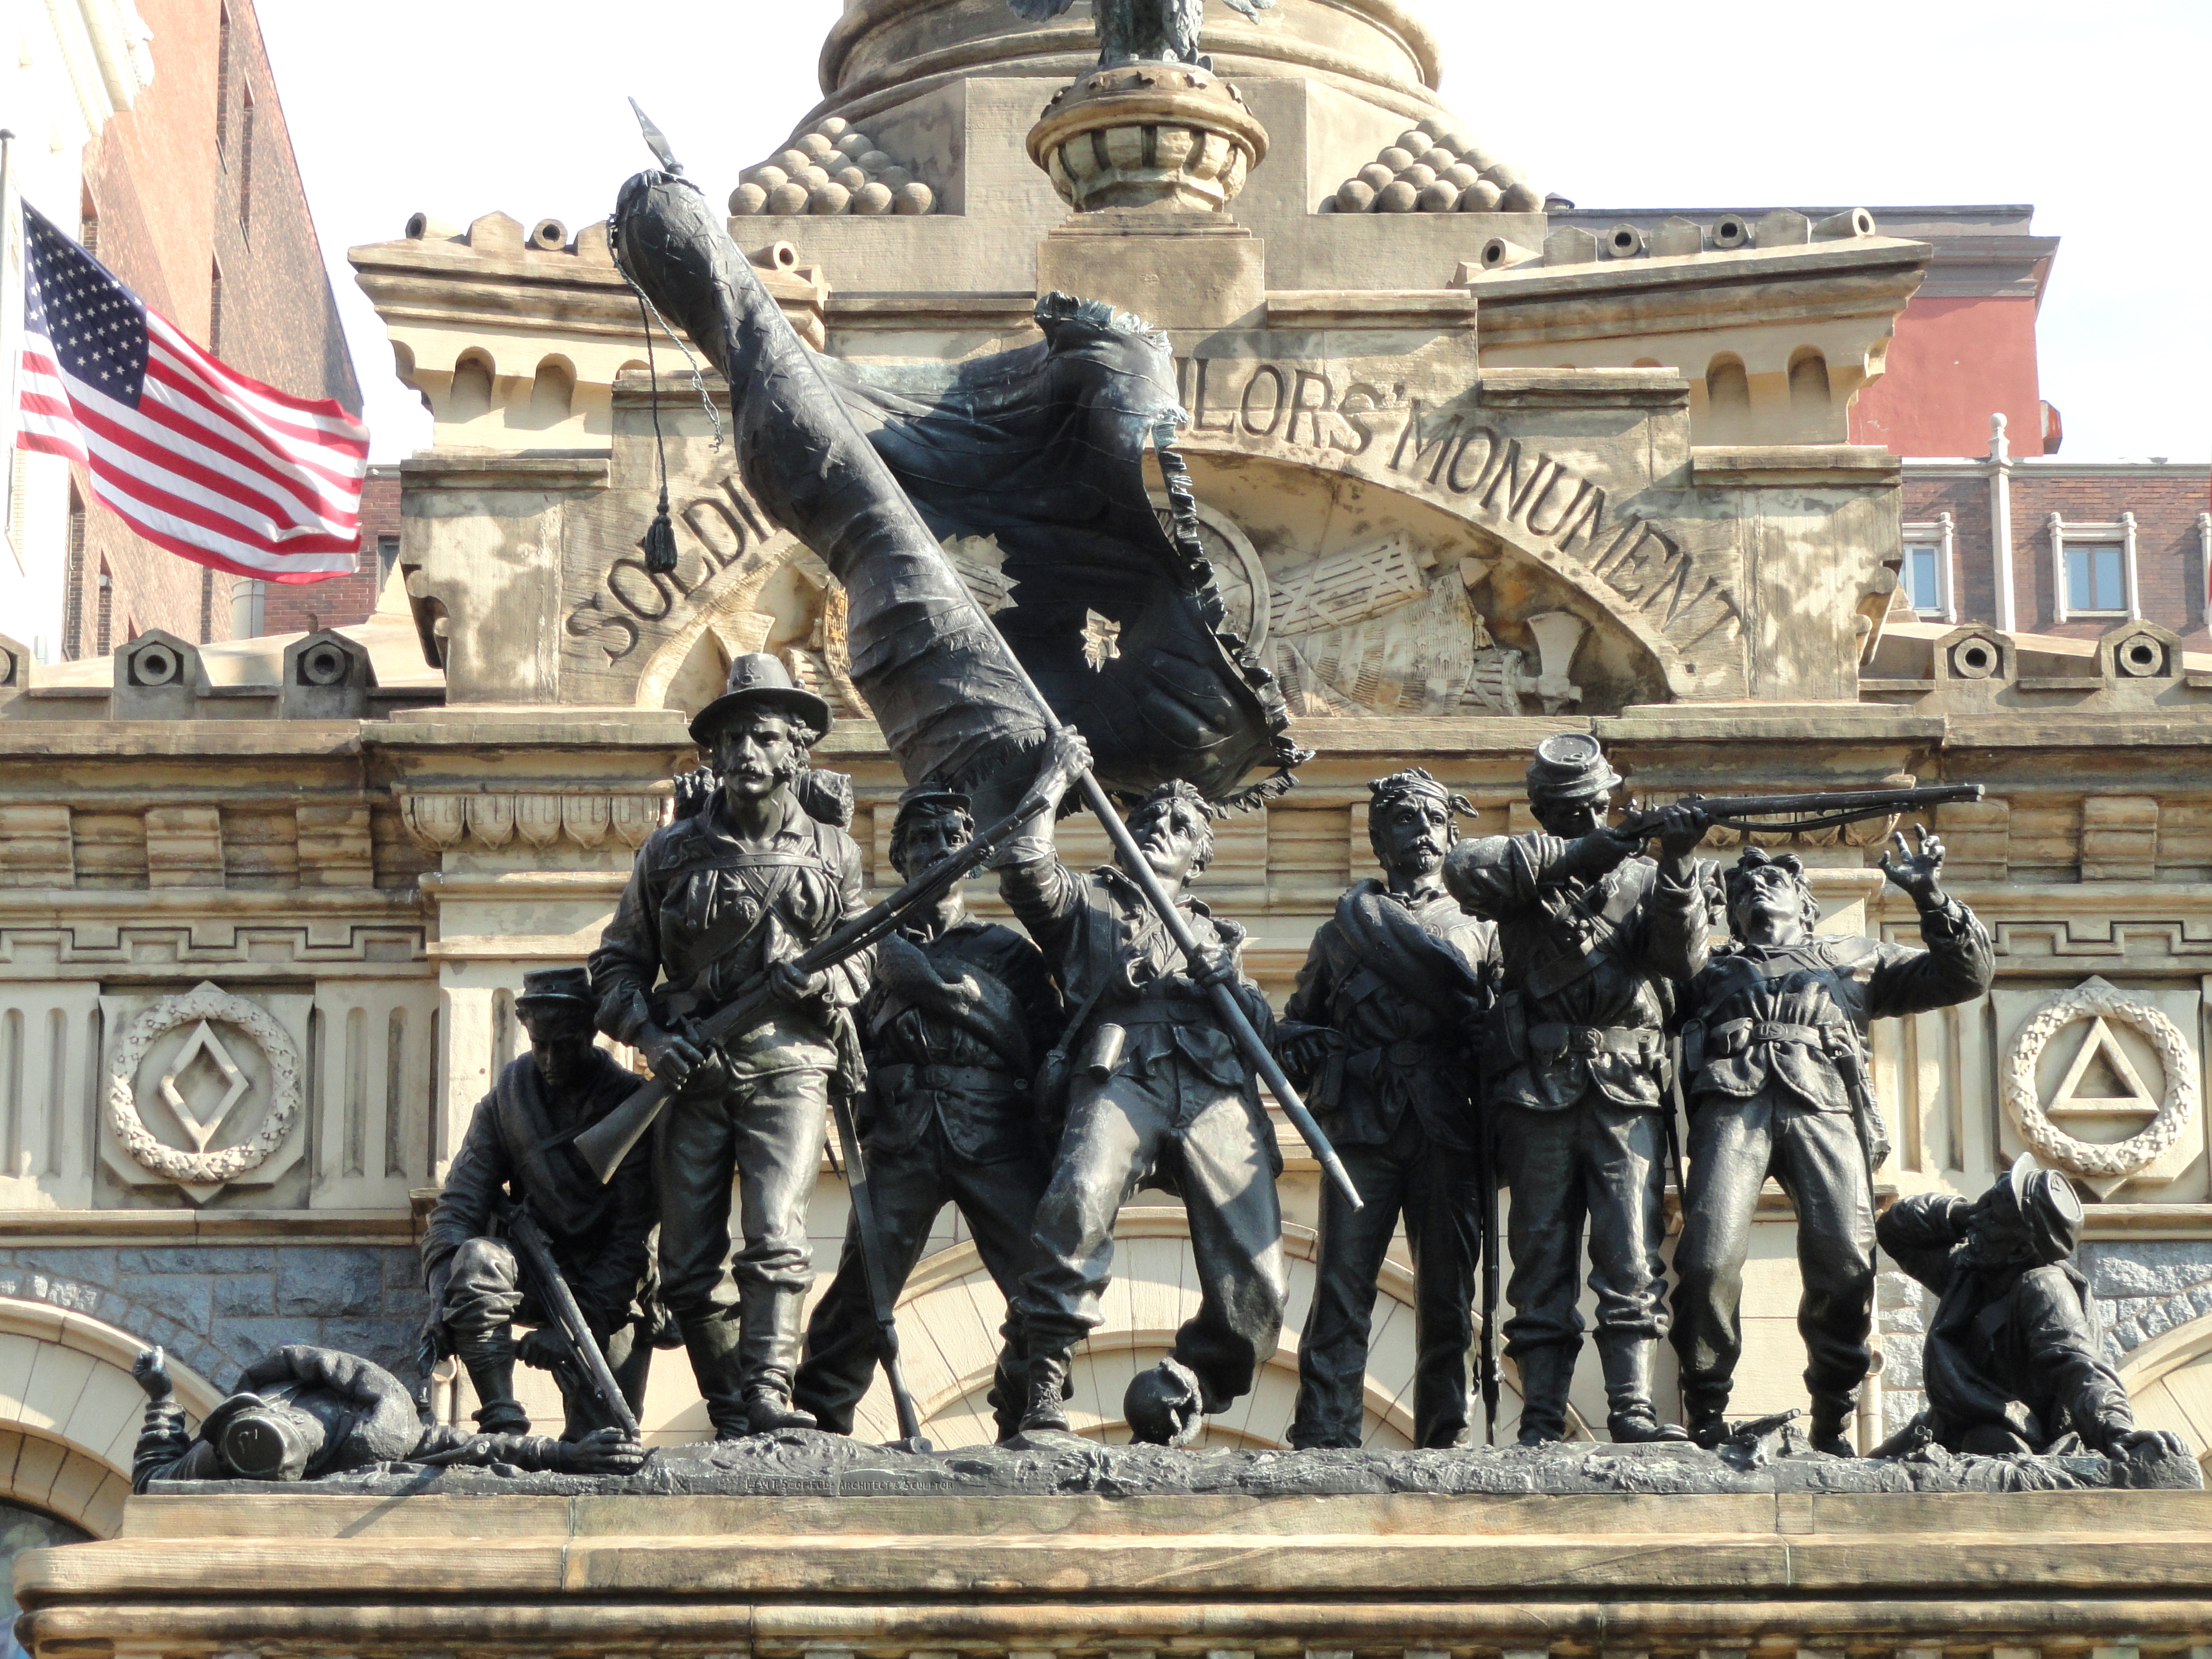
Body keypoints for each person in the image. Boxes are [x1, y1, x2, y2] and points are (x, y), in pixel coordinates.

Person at [589, 652, 872, 1438]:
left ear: (794, 753)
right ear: (711, 757)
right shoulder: (668, 854)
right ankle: (730, 1405)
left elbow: (864, 956)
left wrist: (819, 985)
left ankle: (770, 1395)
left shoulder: (835, 852)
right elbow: (614, 968)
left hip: (791, 1062)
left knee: (778, 1235)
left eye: (763, 737)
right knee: (684, 1269)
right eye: (731, 740)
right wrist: (651, 1035)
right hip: (691, 1070)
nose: (745, 753)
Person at [999, 737, 1284, 1445]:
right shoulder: (1092, 902)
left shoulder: (1219, 935)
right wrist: (1055, 777)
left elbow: (1261, 1031)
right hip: (1123, 1070)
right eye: (1149, 816)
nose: (1161, 826)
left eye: (1181, 825)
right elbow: (1025, 867)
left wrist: (1230, 988)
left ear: (1200, 857)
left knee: (1262, 1278)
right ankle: (1040, 1377)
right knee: (1078, 1201)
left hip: (1214, 1085)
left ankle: (1190, 1385)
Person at [1669, 836, 1993, 1455]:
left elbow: (1966, 976)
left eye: (1773, 881)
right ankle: (1706, 1408)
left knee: (1846, 1263)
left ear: (1803, 901)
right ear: (1728, 909)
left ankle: (1832, 1419)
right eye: (1741, 888)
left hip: (1827, 1106)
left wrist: (1926, 893)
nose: (1755, 888)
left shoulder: (1855, 958)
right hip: (1732, 1106)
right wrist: (1679, 882)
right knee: (1707, 1259)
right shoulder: (1704, 970)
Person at [1441, 732, 1709, 1445]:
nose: (1577, 821)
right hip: (1539, 1091)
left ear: (1605, 798)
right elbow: (1465, 872)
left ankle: (1632, 1410)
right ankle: (1539, 1418)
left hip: (1627, 1090)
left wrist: (1676, 861)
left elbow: (1682, 960)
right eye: (1560, 811)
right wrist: (1600, 847)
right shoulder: (1521, 871)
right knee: (1541, 1260)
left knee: (1630, 1255)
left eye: (1588, 809)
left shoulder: (1648, 881)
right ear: (1539, 809)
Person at [793, 788, 1063, 1442]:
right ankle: (819, 1417)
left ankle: (1031, 1404)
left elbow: (1051, 1048)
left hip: (993, 1130)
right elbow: (838, 1027)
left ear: (972, 858)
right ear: (902, 857)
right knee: (863, 1286)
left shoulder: (1010, 955)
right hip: (901, 1131)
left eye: (951, 839)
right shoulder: (866, 948)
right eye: (922, 841)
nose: (938, 851)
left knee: (1040, 1277)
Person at [1280, 769, 1497, 1449]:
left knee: (1446, 1295)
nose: (1422, 834)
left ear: (1451, 833)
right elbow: (1295, 1029)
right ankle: (1325, 1424)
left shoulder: (1482, 928)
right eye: (1405, 820)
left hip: (1446, 1124)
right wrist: (1293, 1044)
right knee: (1343, 1284)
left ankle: (1445, 1429)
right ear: (1380, 837)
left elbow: (1503, 1027)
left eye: (1433, 820)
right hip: (1363, 1127)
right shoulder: (1342, 930)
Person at [420, 967, 660, 1438]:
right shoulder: (504, 1102)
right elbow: (457, 1210)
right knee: (475, 1259)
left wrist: (578, 1328)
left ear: (592, 1034)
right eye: (540, 1044)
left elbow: (635, 1234)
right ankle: (501, 1419)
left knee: (608, 1440)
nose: (550, 1059)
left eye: (565, 1044)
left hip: (611, 1286)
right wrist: (438, 1297)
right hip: (531, 1265)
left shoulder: (632, 1102)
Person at [1876, 1156, 2186, 1462]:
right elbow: (1895, 1230)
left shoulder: (2044, 1287)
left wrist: (2116, 1431)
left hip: (2016, 1434)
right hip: (1950, 1426)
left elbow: (2078, 1363)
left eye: (1994, 1217)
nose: (1978, 1221)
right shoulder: (1972, 1270)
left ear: (2020, 1249)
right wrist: (1963, 1213)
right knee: (1858, 1476)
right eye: (1985, 1204)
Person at [128, 1344, 643, 1488]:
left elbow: (150, 1477)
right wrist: (567, 1453)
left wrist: (162, 1396)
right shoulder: (387, 1436)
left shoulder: (230, 1444)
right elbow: (485, 1448)